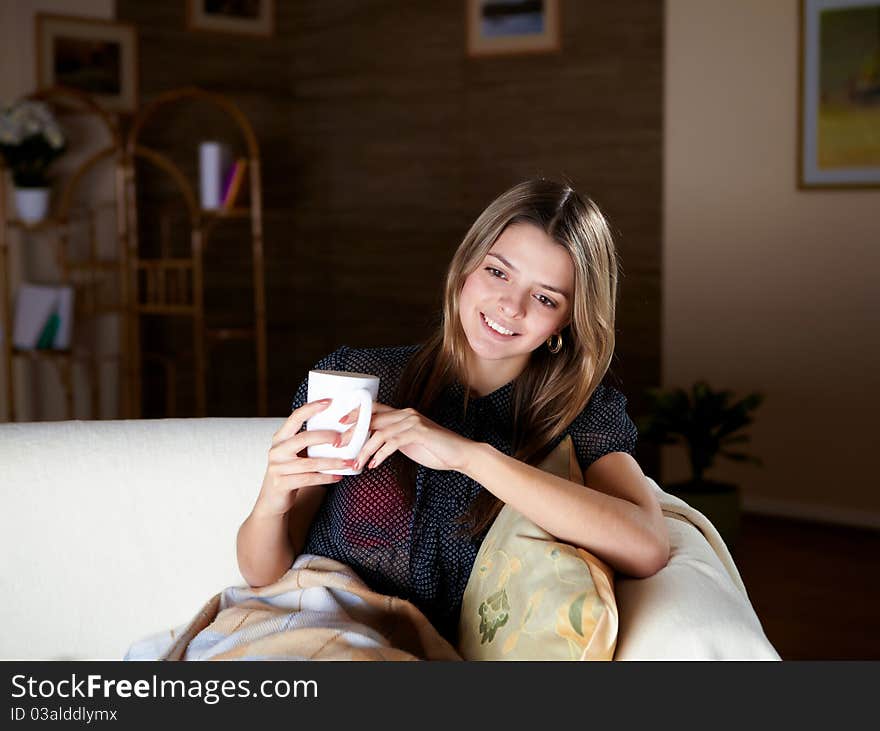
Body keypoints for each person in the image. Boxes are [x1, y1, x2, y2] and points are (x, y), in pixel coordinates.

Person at [236, 177, 670, 643]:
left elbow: (646, 545)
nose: (510, 306)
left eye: (545, 298)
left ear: (567, 320)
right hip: (303, 628)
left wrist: (471, 457)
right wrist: (271, 500)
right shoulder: (357, 378)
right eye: (498, 272)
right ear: (466, 267)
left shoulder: (578, 415)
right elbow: (263, 574)